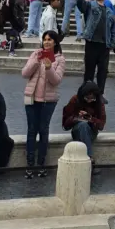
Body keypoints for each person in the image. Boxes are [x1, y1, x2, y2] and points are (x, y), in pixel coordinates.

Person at [22, 31, 65, 178]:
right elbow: (25, 73)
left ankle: (41, 164)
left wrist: (48, 67)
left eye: (50, 40)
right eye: (45, 39)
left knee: (43, 130)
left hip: (48, 101)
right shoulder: (36, 54)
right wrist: (36, 61)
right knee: (31, 130)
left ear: (55, 42)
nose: (46, 42)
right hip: (31, 99)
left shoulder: (60, 59)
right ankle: (29, 165)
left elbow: (56, 80)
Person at [76, 0, 115, 95]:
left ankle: (100, 94)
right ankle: (86, 93)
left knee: (102, 72)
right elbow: (81, 5)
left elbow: (113, 29)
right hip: (91, 43)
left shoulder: (110, 12)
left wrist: (113, 42)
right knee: (89, 71)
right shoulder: (90, 5)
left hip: (104, 45)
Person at [63, 80, 105, 163]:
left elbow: (101, 125)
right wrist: (76, 118)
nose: (89, 101)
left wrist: (90, 118)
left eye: (92, 99)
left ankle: (86, 159)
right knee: (82, 125)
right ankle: (89, 158)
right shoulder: (75, 100)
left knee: (84, 126)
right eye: (87, 98)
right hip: (76, 130)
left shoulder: (99, 103)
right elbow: (65, 124)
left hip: (91, 131)